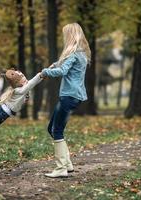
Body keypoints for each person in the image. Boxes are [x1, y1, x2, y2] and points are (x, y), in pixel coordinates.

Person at [41, 23, 91, 178]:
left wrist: (46, 71)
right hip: (74, 96)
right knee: (52, 128)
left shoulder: (74, 53)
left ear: (70, 35)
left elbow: (62, 71)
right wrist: (55, 64)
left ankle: (61, 168)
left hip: (69, 96)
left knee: (57, 130)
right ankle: (67, 165)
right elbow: (64, 64)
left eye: (65, 35)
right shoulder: (81, 54)